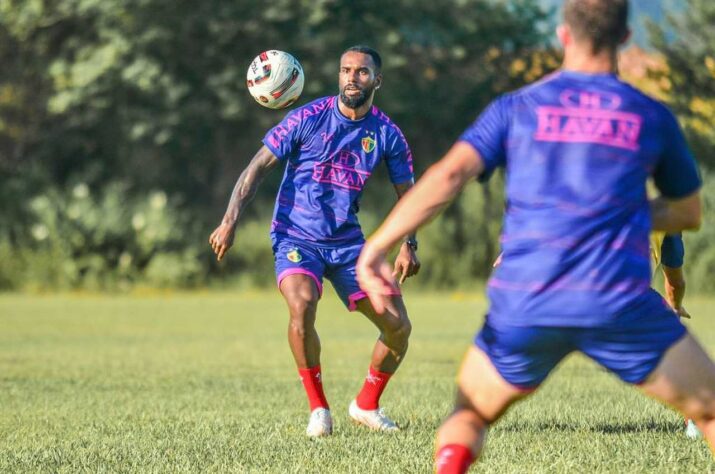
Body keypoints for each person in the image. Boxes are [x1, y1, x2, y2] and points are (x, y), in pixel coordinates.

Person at [355, 0, 715, 470]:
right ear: (625, 39)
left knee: (469, 415)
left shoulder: (517, 108)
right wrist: (617, 215)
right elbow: (688, 213)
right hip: (614, 299)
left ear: (563, 35)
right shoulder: (649, 115)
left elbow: (447, 177)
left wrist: (376, 249)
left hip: (527, 298)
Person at [209, 45, 420, 437]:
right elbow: (255, 168)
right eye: (345, 71)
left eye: (360, 72)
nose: (351, 78)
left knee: (398, 328)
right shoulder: (306, 118)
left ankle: (366, 405)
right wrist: (229, 221)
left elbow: (408, 194)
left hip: (348, 244)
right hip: (296, 235)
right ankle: (319, 408)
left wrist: (410, 242)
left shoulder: (387, 134)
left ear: (377, 80)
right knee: (303, 303)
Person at [650, 231, 702, 439]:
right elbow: (676, 283)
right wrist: (675, 307)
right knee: (681, 353)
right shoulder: (665, 211)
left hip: (556, 293)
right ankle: (696, 421)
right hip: (624, 300)